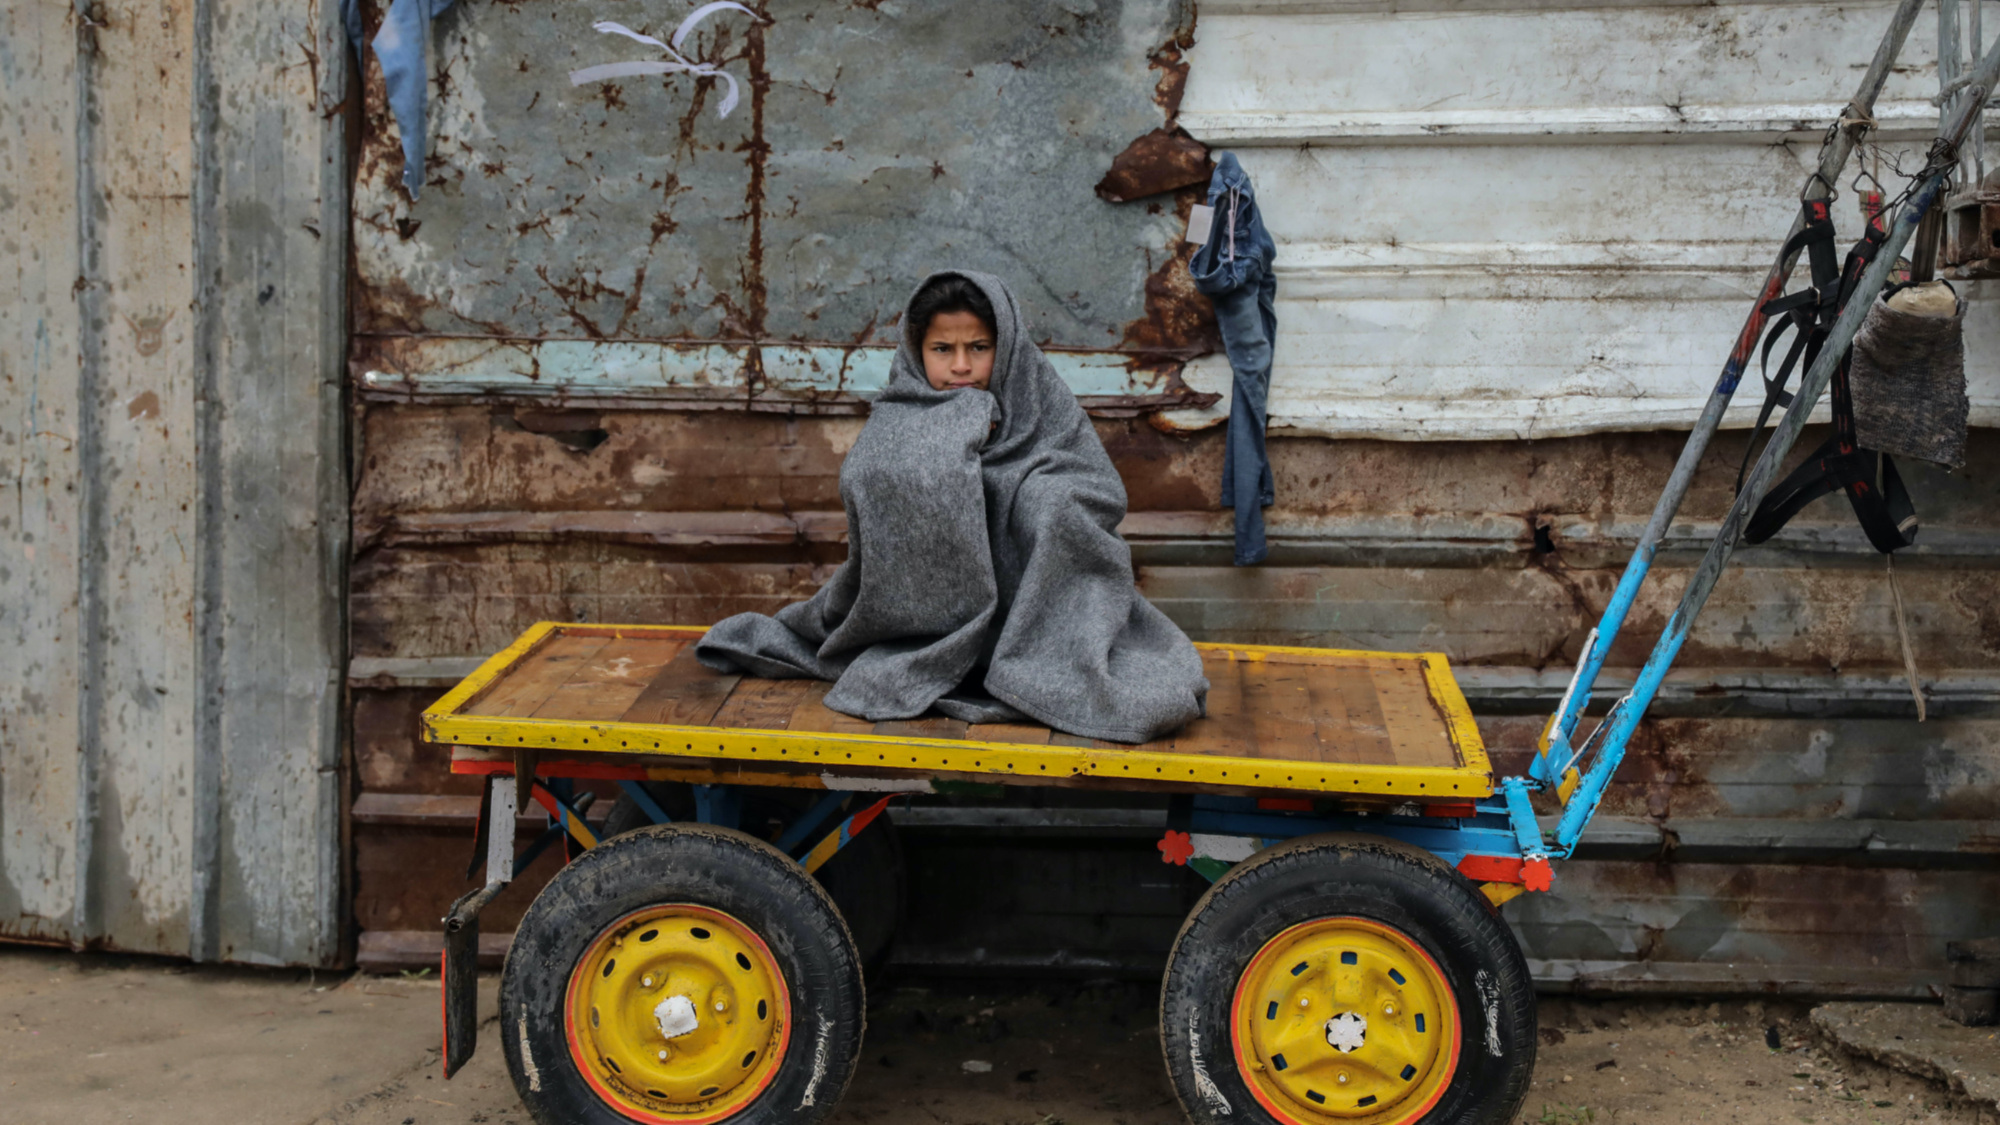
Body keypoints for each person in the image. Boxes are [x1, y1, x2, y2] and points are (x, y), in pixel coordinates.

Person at [696, 270, 1208, 744]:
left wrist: (1036, 498)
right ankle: (949, 647)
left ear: (1004, 348)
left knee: (1053, 505)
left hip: (1042, 620)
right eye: (943, 349)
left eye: (979, 347)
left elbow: (1093, 487)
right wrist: (947, 452)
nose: (961, 366)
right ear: (918, 352)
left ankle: (1033, 662)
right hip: (921, 618)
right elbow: (870, 478)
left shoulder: (1038, 399)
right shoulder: (903, 410)